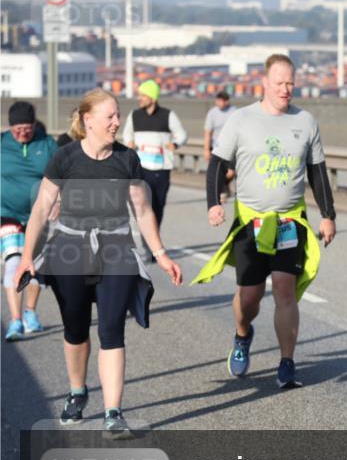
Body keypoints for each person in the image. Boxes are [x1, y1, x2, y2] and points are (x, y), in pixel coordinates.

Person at [14, 89, 183, 438]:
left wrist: (161, 254)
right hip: (69, 251)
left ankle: (112, 413)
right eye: (110, 116)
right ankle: (77, 391)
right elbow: (41, 210)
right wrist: (27, 257)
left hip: (116, 250)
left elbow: (144, 209)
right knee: (75, 330)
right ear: (88, 120)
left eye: (118, 115)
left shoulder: (127, 159)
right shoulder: (65, 158)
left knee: (111, 331)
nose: (117, 122)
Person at [193, 54, 337, 389]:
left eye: (291, 83)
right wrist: (214, 204)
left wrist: (328, 215)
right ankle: (243, 335)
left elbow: (317, 172)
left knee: (285, 289)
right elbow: (216, 164)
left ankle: (287, 362)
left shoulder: (306, 121)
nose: (286, 89)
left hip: (289, 222)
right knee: (249, 298)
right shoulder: (241, 120)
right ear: (265, 83)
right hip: (250, 222)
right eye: (279, 83)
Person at [2, 102, 58, 341]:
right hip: (7, 213)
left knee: (37, 264)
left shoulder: (47, 145)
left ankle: (30, 313)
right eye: (17, 129)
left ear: (35, 125)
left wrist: (60, 201)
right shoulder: (2, 144)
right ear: (10, 127)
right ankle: (15, 321)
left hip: (39, 214)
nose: (22, 133)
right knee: (14, 263)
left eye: (27, 128)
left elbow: (63, 176)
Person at [122, 79, 188, 259]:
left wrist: (175, 143)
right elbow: (127, 133)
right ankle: (150, 246)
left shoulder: (168, 115)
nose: (140, 98)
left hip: (161, 169)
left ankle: (152, 241)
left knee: (158, 208)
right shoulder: (134, 115)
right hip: (140, 170)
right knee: (143, 208)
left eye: (143, 95)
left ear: (152, 97)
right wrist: (129, 142)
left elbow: (182, 134)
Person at [203, 90, 236, 199]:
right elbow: (208, 131)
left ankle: (224, 185)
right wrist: (206, 149)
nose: (220, 103)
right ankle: (221, 191)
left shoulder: (234, 111)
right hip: (216, 147)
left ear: (227, 101)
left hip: (231, 147)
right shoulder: (212, 113)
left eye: (223, 101)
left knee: (231, 172)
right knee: (218, 171)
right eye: (218, 101)